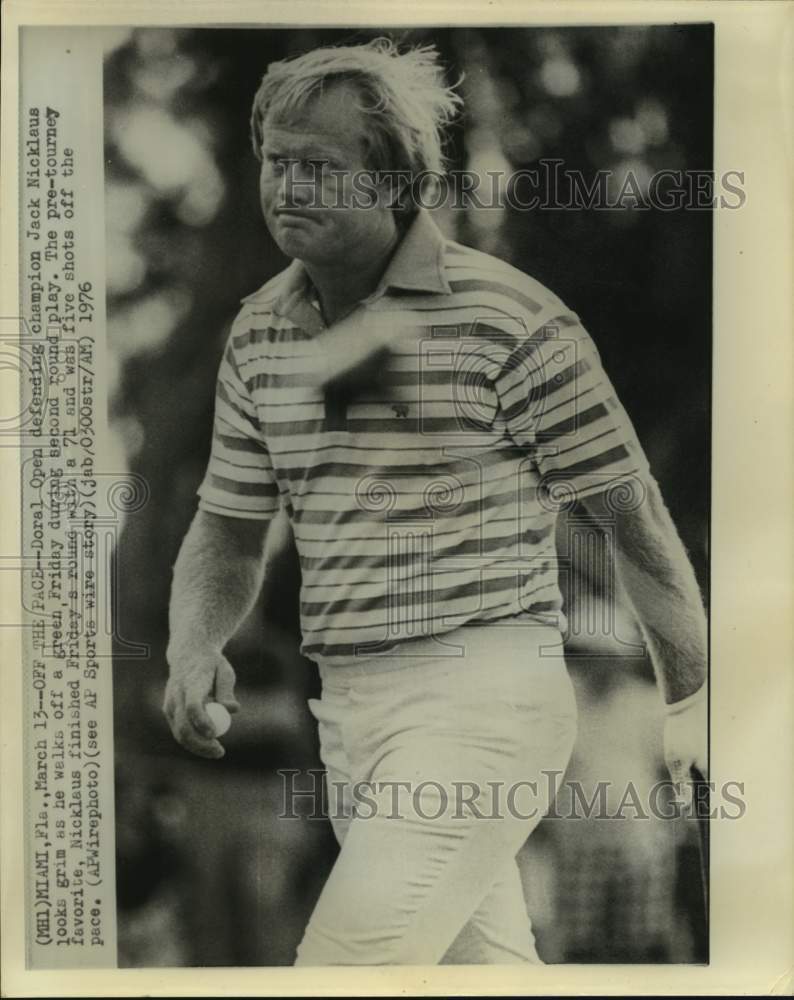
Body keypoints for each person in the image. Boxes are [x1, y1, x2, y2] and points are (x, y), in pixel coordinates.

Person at [163, 38, 708, 965]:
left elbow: (633, 521)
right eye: (276, 163)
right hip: (350, 715)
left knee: (342, 968)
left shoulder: (511, 317)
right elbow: (227, 524)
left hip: (486, 704)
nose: (286, 187)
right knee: (485, 976)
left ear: (390, 180)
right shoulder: (258, 334)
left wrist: (691, 704)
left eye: (319, 167)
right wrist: (191, 644)